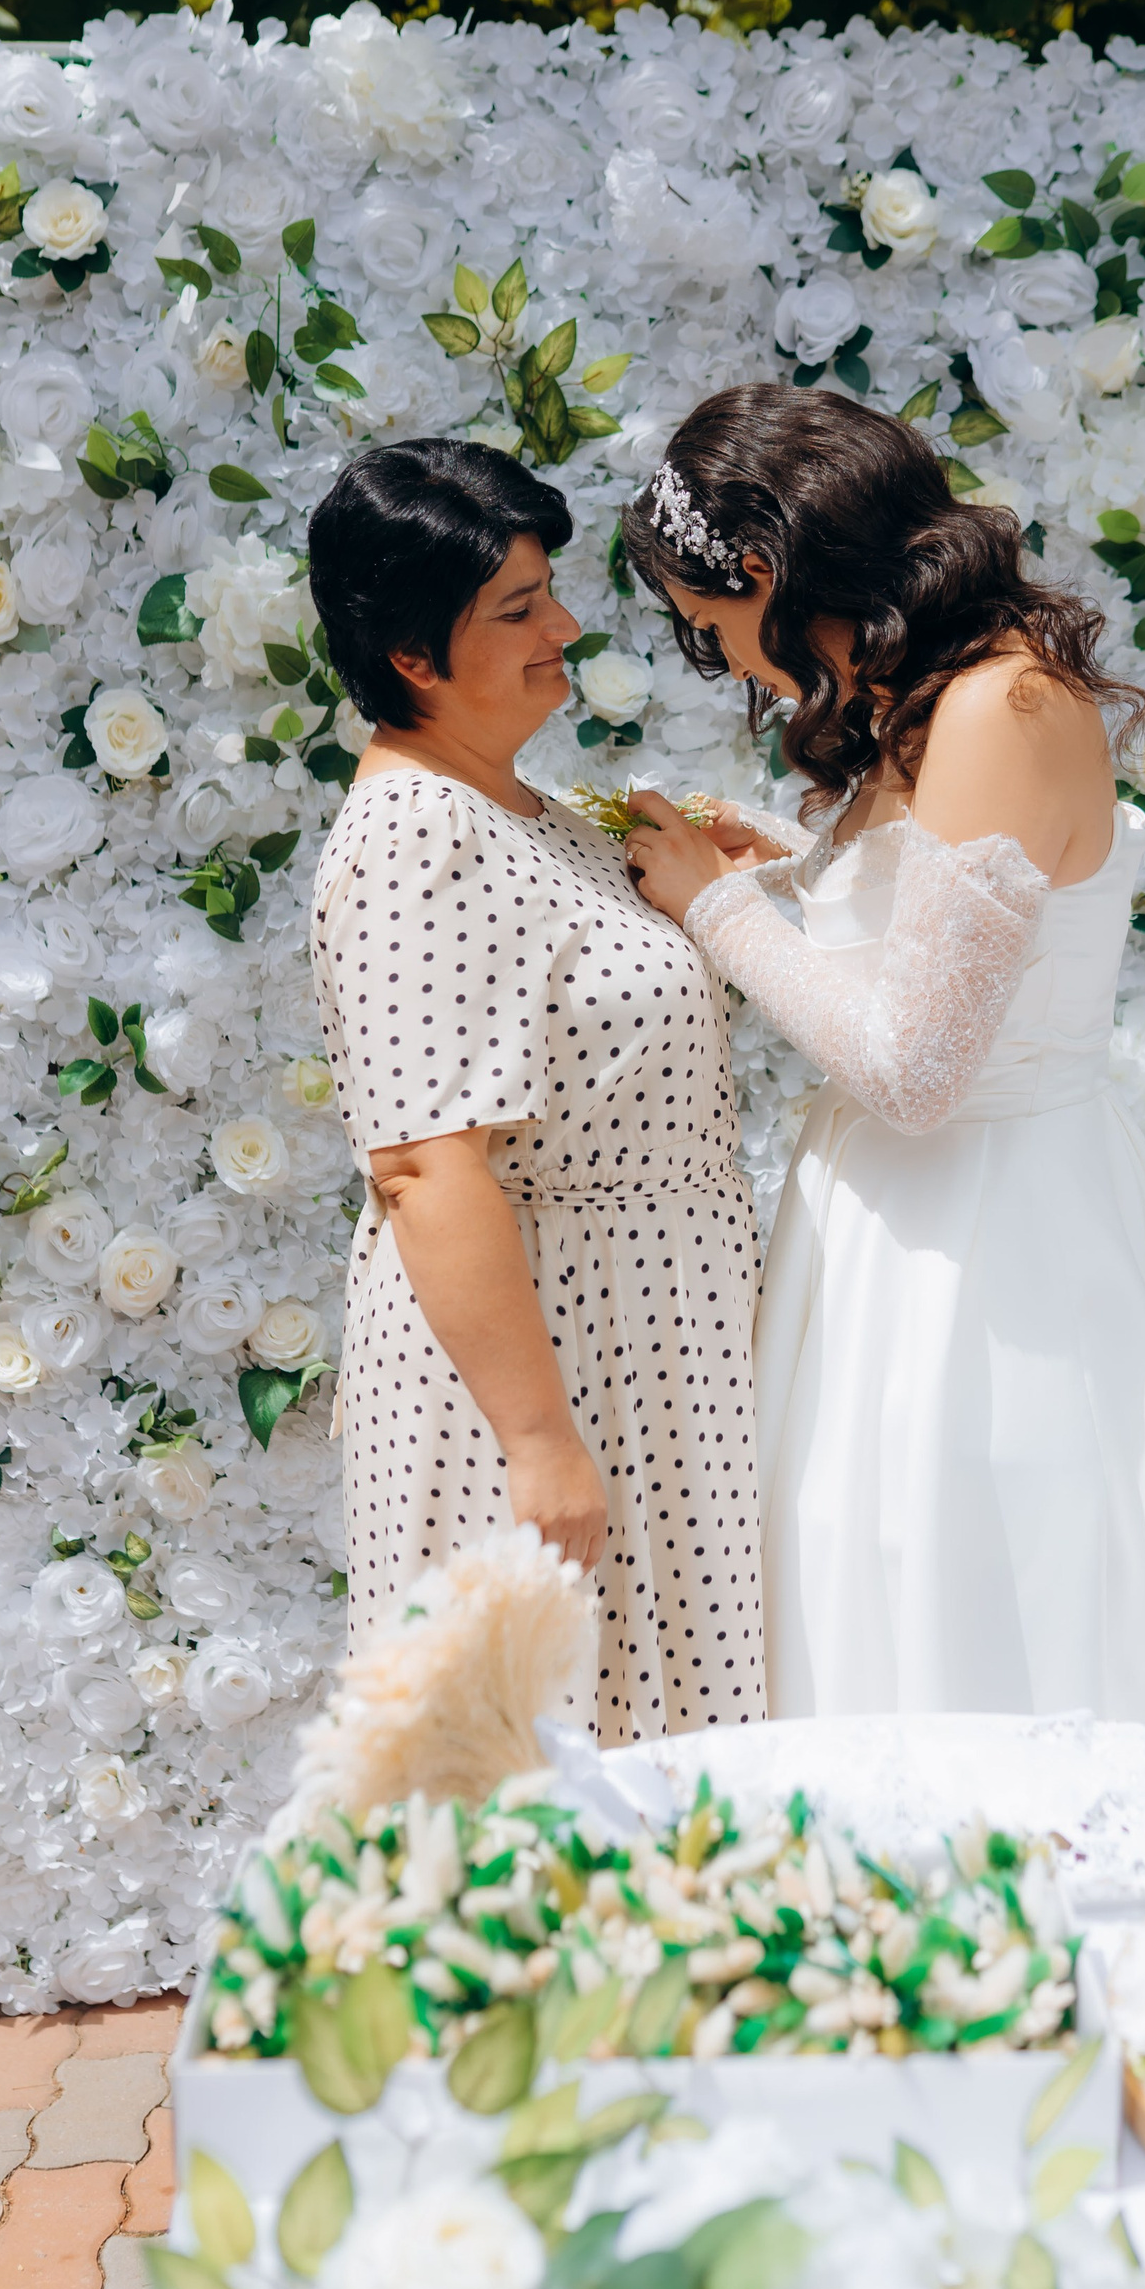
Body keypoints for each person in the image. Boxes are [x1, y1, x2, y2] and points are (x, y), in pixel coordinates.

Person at [620, 385, 1145, 1747]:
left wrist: (718, 907)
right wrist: (782, 858)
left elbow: (918, 1065)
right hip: (893, 1224)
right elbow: (927, 927)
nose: (724, 662)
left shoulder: (1001, 706)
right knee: (866, 1584)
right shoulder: (933, 700)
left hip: (994, 1245)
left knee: (984, 1595)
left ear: (762, 571)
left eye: (710, 627)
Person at [306, 438, 763, 1742]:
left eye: (549, 592)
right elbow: (423, 1164)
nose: (564, 628)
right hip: (552, 1357)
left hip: (650, 1346)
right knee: (545, 1761)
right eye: (518, 610)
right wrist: (540, 1441)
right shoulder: (413, 835)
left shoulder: (530, 814)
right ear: (413, 654)